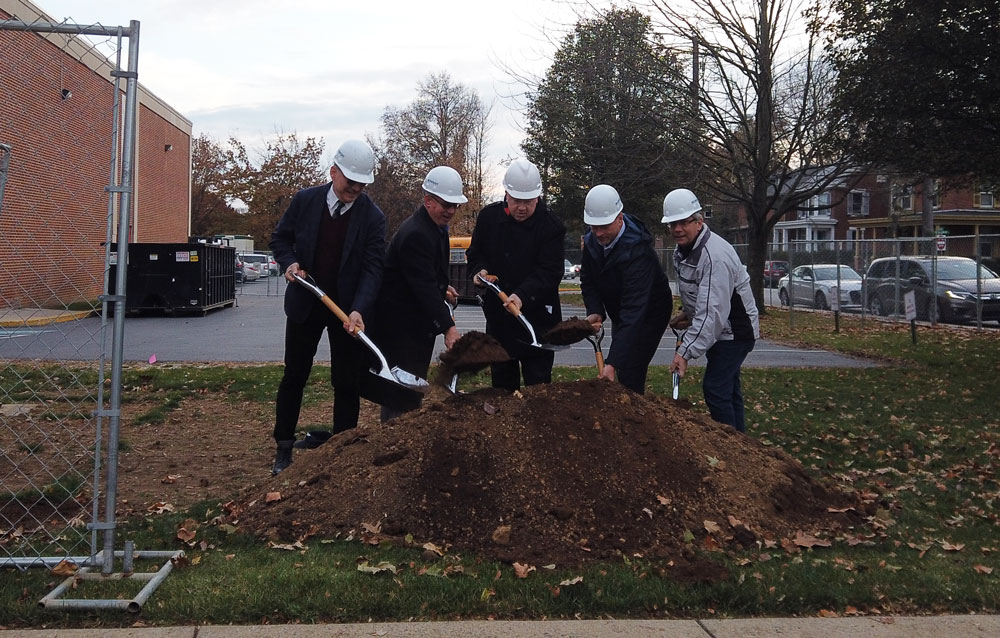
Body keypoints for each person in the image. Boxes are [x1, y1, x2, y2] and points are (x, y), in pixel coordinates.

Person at [268, 139, 385, 475]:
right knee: (294, 375)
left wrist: (359, 309)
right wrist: (289, 263)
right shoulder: (306, 201)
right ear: (334, 172)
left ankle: (342, 449)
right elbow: (280, 239)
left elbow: (373, 268)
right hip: (307, 301)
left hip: (346, 310)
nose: (356, 189)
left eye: (363, 184)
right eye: (351, 182)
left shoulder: (372, 217)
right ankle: (284, 448)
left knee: (346, 382)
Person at [367, 166, 464, 422]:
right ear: (428, 201)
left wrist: (443, 289)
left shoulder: (435, 227)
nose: (451, 211)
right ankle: (395, 438)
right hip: (400, 326)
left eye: (455, 205)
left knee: (412, 386)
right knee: (402, 388)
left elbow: (428, 277)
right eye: (446, 204)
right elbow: (422, 287)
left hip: (415, 325)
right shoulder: (416, 234)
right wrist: (448, 328)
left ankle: (403, 435)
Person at [663, 188, 759, 433]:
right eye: (673, 224)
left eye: (684, 222)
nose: (677, 229)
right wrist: (689, 312)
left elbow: (712, 314)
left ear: (699, 221)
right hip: (722, 328)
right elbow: (701, 295)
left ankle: (730, 448)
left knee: (716, 388)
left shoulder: (714, 256)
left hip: (735, 332)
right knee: (728, 388)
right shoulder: (685, 249)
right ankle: (743, 445)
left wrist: (684, 353)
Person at [466, 158, 565, 391]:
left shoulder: (551, 226)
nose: (522, 207)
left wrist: (521, 295)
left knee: (538, 389)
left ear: (538, 198)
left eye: (528, 202)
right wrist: (479, 271)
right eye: (517, 200)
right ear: (506, 194)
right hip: (499, 322)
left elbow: (550, 272)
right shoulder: (489, 219)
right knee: (501, 388)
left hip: (538, 321)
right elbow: (476, 252)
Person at [579, 184, 671, 394]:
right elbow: (588, 279)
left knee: (629, 369)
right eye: (594, 227)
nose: (599, 233)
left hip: (649, 312)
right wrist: (595, 310)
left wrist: (611, 363)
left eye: (604, 226)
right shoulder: (592, 239)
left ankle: (635, 417)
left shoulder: (639, 252)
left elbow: (633, 311)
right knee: (622, 358)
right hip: (620, 307)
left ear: (619, 218)